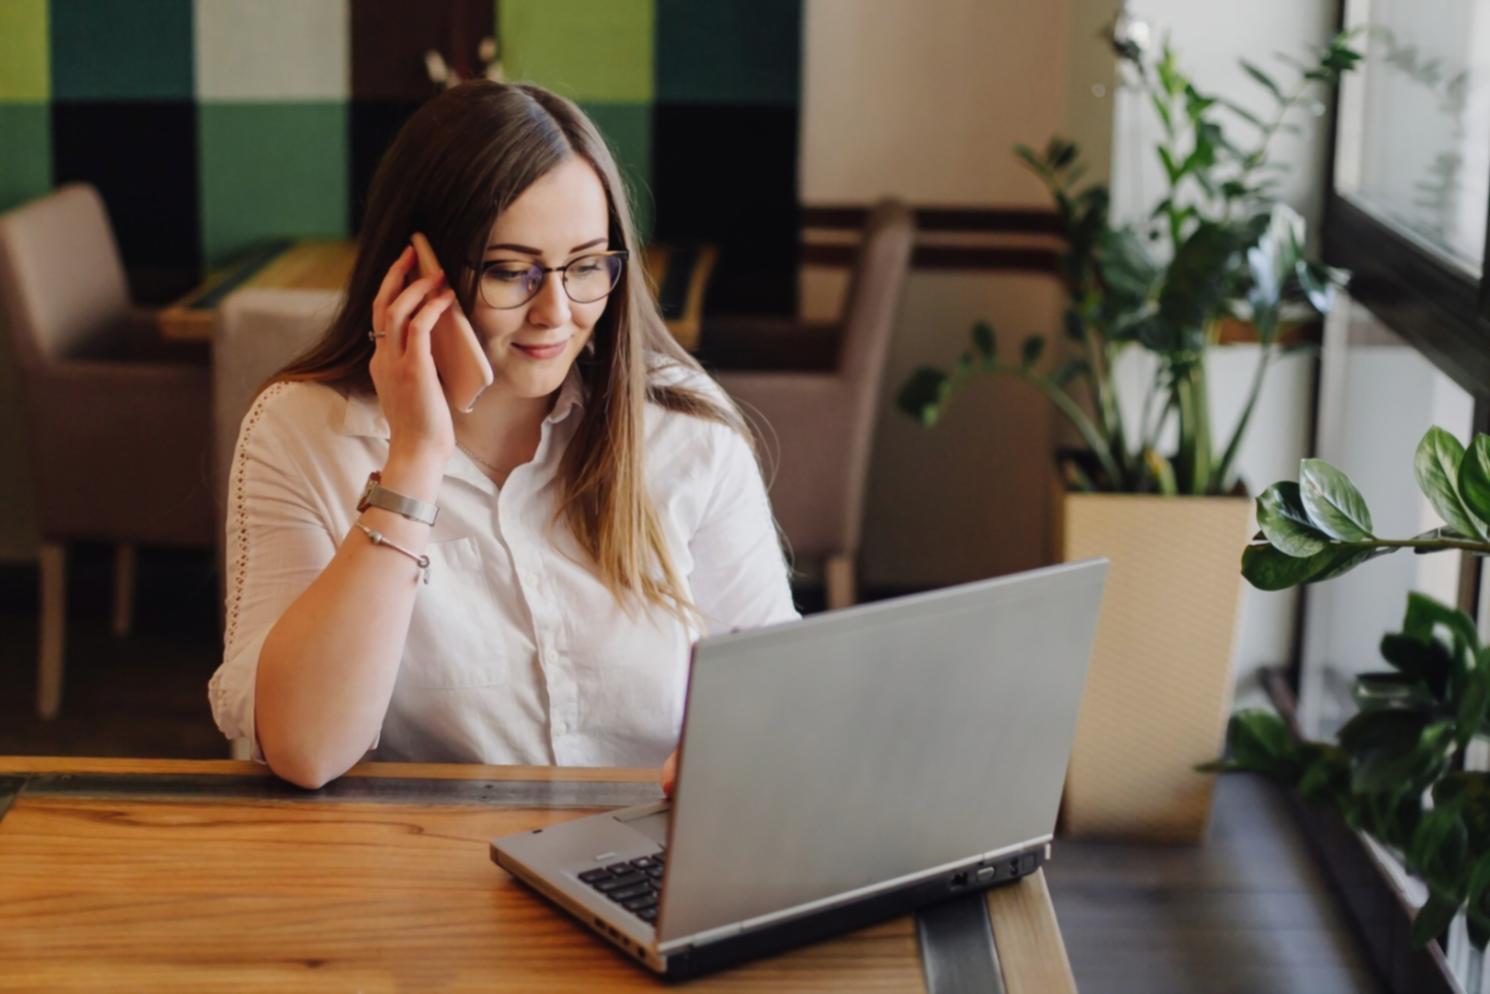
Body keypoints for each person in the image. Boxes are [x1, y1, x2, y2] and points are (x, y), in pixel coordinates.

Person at [207, 80, 799, 790]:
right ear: (416, 272)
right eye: (512, 272)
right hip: (422, 874)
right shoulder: (301, 432)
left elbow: (776, 692)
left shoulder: (684, 429)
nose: (557, 312)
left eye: (586, 267)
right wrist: (415, 461)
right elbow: (305, 748)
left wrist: (735, 754)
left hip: (643, 866)